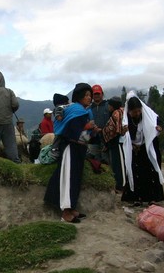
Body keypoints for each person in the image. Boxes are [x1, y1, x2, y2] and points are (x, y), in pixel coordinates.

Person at [44, 83, 94, 223]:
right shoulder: (75, 110)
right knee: (68, 178)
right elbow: (70, 131)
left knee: (75, 178)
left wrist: (92, 130)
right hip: (70, 148)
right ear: (79, 97)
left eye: (90, 95)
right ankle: (65, 213)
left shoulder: (82, 110)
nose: (89, 98)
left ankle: (71, 208)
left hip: (79, 149)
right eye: (86, 95)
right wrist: (86, 126)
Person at [121, 92, 164, 206]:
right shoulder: (126, 120)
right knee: (136, 172)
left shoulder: (148, 114)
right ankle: (137, 197)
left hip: (148, 146)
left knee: (151, 171)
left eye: (138, 111)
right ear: (129, 111)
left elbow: (157, 122)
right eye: (134, 112)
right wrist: (128, 138)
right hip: (134, 149)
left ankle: (153, 198)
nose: (137, 114)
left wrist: (158, 128)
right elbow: (124, 135)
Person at [102, 97, 127, 193]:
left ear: (112, 106)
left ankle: (121, 185)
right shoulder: (120, 111)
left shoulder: (117, 113)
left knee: (119, 164)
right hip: (116, 143)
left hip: (118, 142)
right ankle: (120, 184)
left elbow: (117, 129)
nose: (108, 107)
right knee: (117, 164)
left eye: (109, 105)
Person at [87, 84, 110, 162]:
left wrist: (103, 130)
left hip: (106, 140)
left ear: (102, 94)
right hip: (93, 139)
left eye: (98, 93)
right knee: (94, 162)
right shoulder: (88, 108)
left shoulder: (108, 106)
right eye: (94, 94)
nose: (96, 95)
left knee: (106, 162)